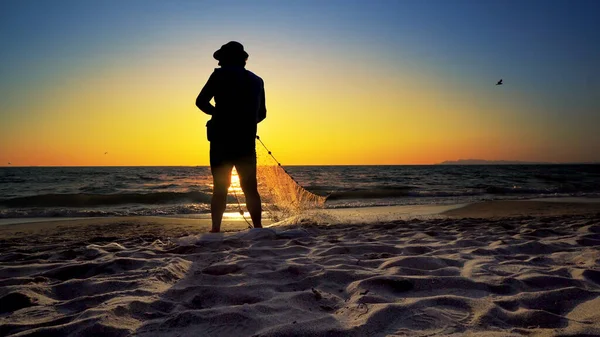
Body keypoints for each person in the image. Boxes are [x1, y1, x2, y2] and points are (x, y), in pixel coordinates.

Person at [196, 41, 266, 233]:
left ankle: (216, 229)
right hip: (246, 140)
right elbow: (263, 113)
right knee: (250, 187)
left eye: (221, 60)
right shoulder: (257, 80)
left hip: (221, 140)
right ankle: (258, 228)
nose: (219, 64)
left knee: (220, 187)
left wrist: (218, 114)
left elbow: (200, 101)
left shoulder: (219, 75)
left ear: (226, 59)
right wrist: (245, 123)